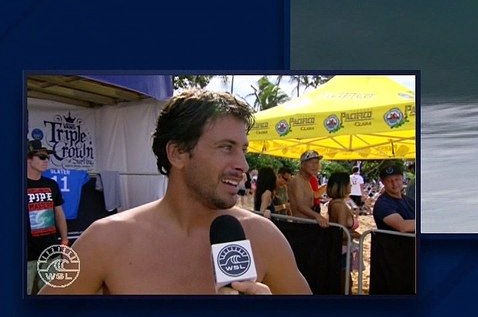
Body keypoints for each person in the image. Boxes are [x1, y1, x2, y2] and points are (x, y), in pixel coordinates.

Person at [40, 89, 310, 295]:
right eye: (226, 147)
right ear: (178, 153)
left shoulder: (264, 237)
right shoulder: (106, 238)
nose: (243, 165)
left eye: (243, 149)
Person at [26, 141, 68, 295]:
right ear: (28, 159)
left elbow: (59, 212)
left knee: (50, 294)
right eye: (41, 157)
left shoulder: (51, 184)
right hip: (26, 253)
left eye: (47, 157)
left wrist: (64, 240)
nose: (46, 161)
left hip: (50, 250)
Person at [326, 172, 360, 283]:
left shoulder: (335, 203)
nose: (351, 186)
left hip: (342, 248)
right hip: (342, 249)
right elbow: (341, 232)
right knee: (344, 281)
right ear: (343, 186)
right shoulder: (339, 206)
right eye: (349, 184)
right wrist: (356, 235)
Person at [288, 150, 329, 228]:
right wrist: (318, 216)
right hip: (300, 226)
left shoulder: (306, 181)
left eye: (317, 162)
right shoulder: (298, 180)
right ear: (302, 164)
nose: (314, 166)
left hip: (307, 224)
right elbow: (301, 206)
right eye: (311, 162)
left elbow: (310, 198)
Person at [372, 162, 415, 234]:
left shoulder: (408, 200)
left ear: (402, 179)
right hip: (398, 244)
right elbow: (403, 226)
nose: (394, 184)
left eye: (397, 179)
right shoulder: (383, 204)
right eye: (389, 181)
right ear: (383, 183)